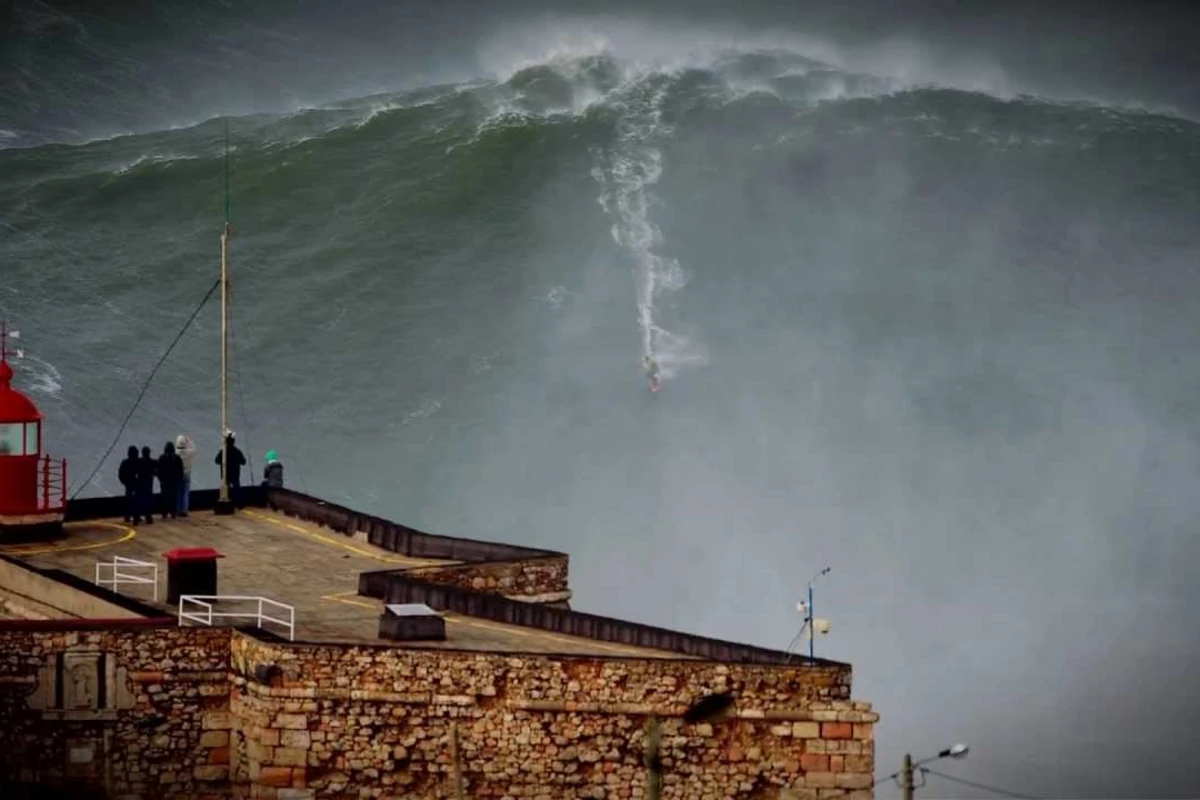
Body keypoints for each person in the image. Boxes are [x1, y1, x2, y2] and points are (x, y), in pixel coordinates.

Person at [214, 431, 247, 507]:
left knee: (226, 489)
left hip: (225, 474)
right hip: (235, 473)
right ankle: (239, 504)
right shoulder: (237, 451)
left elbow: (216, 461)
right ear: (233, 442)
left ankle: (227, 504)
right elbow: (243, 462)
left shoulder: (223, 451)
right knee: (237, 489)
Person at [156, 441, 184, 519]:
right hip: (172, 481)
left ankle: (165, 512)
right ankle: (172, 512)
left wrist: (160, 479)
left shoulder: (162, 458)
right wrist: (179, 479)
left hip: (166, 481)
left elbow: (158, 470)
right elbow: (181, 470)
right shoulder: (177, 458)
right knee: (172, 497)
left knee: (165, 497)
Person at [118, 446, 141, 523]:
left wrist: (125, 482)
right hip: (135, 484)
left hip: (129, 484)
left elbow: (121, 475)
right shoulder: (138, 462)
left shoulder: (125, 462)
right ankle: (136, 516)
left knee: (129, 501)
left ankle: (128, 516)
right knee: (136, 501)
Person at [175, 434, 196, 517]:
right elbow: (194, 448)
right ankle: (184, 510)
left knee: (178, 492)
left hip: (178, 474)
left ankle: (178, 509)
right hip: (187, 473)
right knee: (186, 492)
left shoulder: (176, 453)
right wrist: (189, 441)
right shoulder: (189, 452)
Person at [136, 446, 157, 524]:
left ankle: (137, 516)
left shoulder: (139, 461)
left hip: (140, 484)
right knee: (148, 501)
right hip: (148, 484)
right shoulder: (153, 462)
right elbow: (156, 472)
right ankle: (148, 517)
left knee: (139, 500)